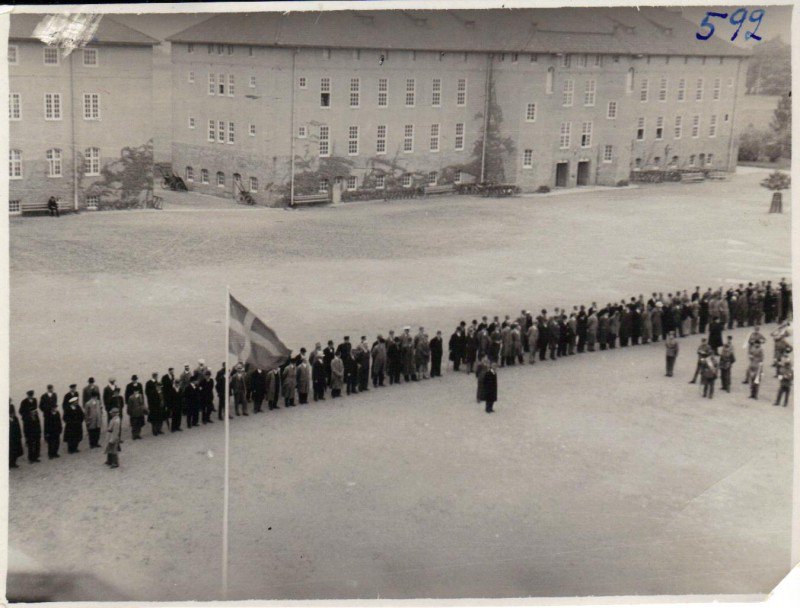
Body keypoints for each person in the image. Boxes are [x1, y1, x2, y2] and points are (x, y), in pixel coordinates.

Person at [19, 391, 41, 463]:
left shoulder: (35, 400)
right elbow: (21, 411)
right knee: (30, 442)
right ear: (27, 395)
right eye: (30, 395)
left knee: (37, 441)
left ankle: (36, 457)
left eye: (32, 395)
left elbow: (36, 409)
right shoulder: (24, 402)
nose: (31, 396)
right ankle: (31, 458)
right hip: (29, 425)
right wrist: (29, 414)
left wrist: (34, 413)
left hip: (35, 423)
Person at [62, 384, 85, 453]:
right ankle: (70, 449)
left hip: (77, 423)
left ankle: (75, 448)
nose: (74, 389)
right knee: (70, 436)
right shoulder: (67, 395)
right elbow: (64, 405)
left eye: (74, 388)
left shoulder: (76, 394)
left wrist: (80, 420)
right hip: (71, 422)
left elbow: (82, 415)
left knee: (77, 436)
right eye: (73, 388)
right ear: (71, 388)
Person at [9, 401, 24, 468]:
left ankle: (13, 463)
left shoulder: (15, 419)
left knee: (15, 450)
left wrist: (19, 435)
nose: (12, 414)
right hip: (9, 438)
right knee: (9, 451)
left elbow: (18, 427)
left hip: (15, 437)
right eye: (11, 413)